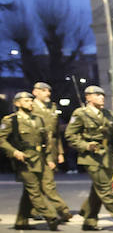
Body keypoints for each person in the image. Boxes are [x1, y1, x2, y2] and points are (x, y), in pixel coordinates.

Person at [65, 86, 113, 231]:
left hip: (107, 156)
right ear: (88, 97)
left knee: (98, 189)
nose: (102, 97)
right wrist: (85, 145)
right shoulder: (80, 114)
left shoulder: (107, 114)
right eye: (97, 95)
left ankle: (89, 220)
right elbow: (70, 135)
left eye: (102, 95)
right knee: (104, 188)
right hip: (91, 156)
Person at [0, 91, 62, 230]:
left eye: (31, 101)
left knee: (29, 192)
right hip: (24, 160)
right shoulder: (11, 120)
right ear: (17, 103)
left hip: (39, 159)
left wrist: (49, 158)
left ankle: (21, 221)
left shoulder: (38, 119)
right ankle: (51, 216)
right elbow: (1, 139)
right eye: (26, 101)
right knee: (34, 190)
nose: (30, 103)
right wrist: (14, 151)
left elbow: (46, 141)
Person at [28, 82, 72, 223]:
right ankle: (60, 210)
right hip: (35, 149)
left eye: (48, 91)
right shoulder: (29, 107)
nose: (47, 93)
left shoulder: (52, 107)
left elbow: (55, 134)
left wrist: (59, 152)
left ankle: (35, 210)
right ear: (35, 92)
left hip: (50, 149)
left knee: (43, 181)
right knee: (43, 182)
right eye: (44, 91)